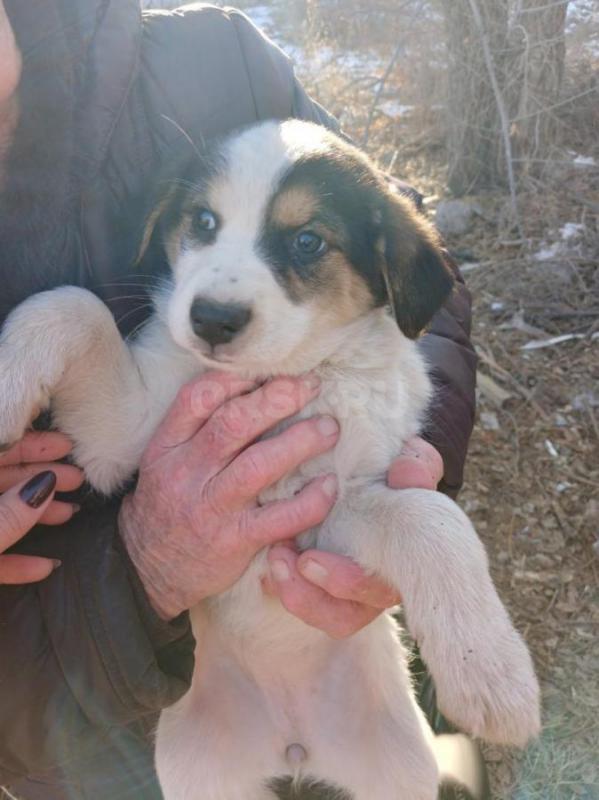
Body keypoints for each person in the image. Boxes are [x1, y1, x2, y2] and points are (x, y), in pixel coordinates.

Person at [0, 1, 477, 798]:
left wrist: (395, 464)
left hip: (346, 643)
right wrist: (147, 567)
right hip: (79, 720)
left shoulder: (213, 62)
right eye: (204, 224)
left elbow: (414, 266)